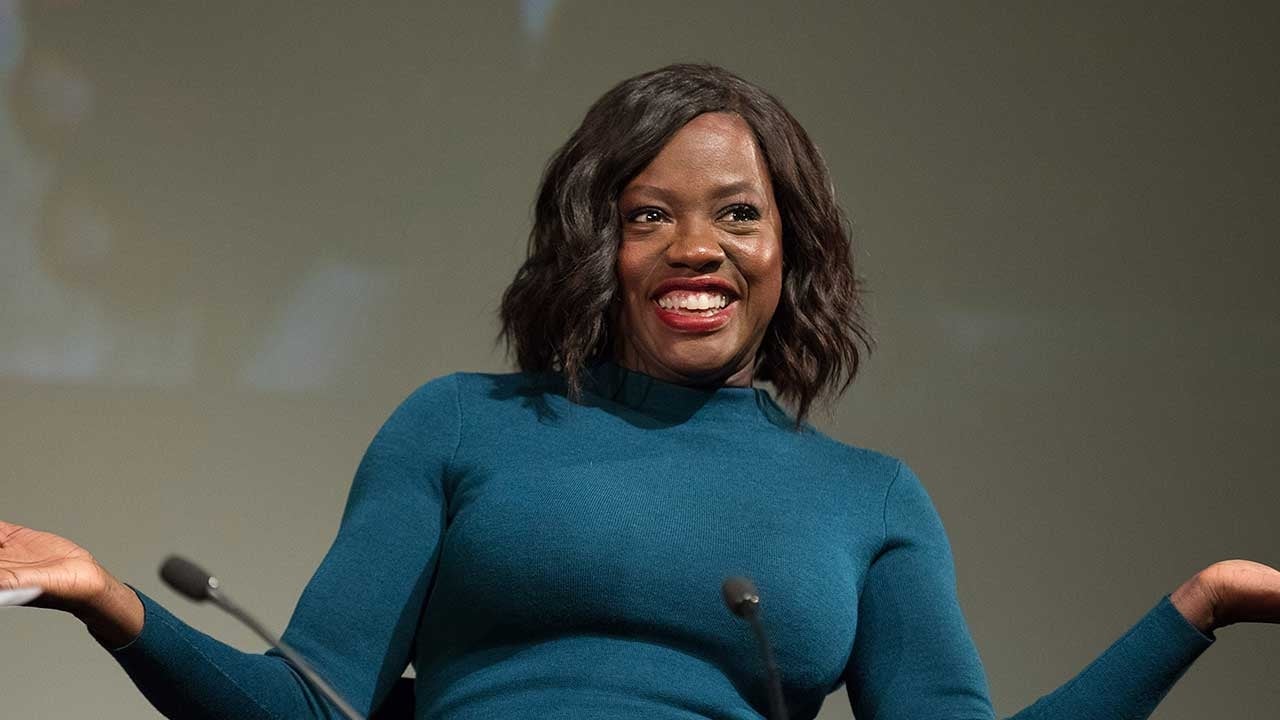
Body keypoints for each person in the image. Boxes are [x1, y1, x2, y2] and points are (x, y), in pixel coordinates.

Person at [2, 63, 1277, 720]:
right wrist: (107, 600)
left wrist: (1198, 607)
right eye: (647, 215)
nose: (695, 248)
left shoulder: (869, 501)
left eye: (737, 214)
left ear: (792, 252)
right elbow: (304, 707)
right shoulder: (458, 425)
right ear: (591, 247)